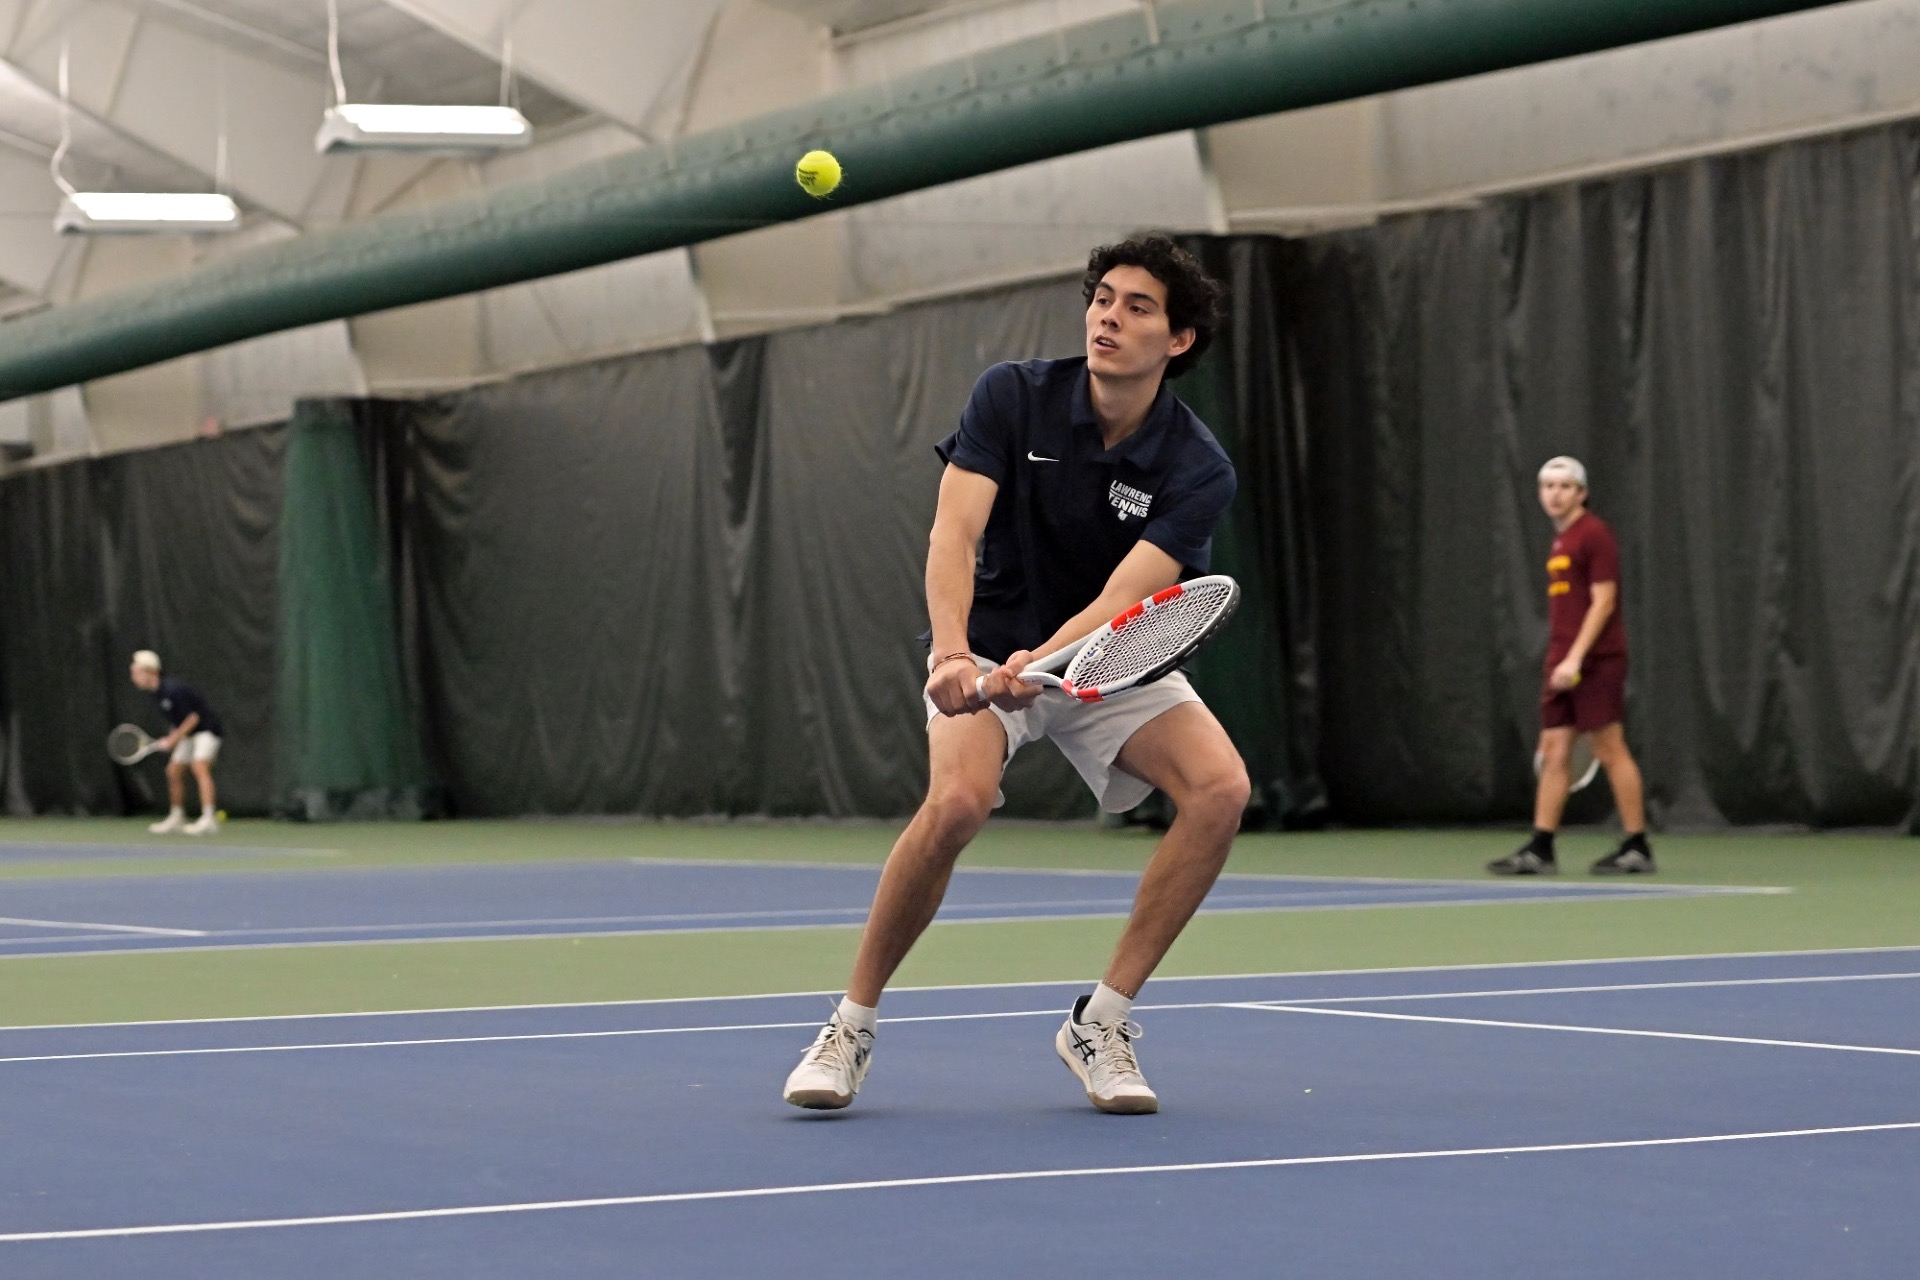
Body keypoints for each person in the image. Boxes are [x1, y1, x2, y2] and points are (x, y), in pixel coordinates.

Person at [782, 236, 1246, 1116]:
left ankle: (1100, 1022)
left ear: (1179, 339)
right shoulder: (1012, 395)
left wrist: (1053, 660)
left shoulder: (1198, 467)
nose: (1108, 317)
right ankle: (850, 1026)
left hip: (1109, 651)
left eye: (1138, 307)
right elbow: (953, 533)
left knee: (1221, 789)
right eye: (1102, 299)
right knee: (957, 802)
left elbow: (1125, 598)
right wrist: (956, 653)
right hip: (991, 639)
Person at [1489, 457, 1652, 876]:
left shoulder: (1593, 535)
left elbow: (1604, 602)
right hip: (1561, 662)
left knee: (1609, 748)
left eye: (1564, 486)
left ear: (1581, 493)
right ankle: (1541, 848)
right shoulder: (1561, 541)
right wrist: (1561, 660)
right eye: (1548, 486)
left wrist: (1577, 657)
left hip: (1595, 661)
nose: (1555, 494)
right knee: (1554, 750)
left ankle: (1637, 846)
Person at [128, 650, 224, 836]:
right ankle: (177, 817)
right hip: (189, 733)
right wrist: (170, 737)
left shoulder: (172, 690)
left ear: (151, 672)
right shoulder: (157, 693)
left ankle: (208, 819)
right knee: (173, 770)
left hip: (207, 730)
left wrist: (173, 739)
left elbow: (193, 718)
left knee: (199, 766)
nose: (134, 678)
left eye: (137, 673)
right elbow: (179, 721)